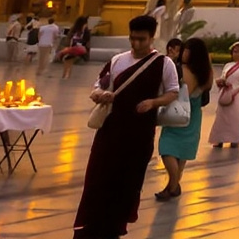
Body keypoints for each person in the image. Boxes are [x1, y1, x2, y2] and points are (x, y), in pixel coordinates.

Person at [72, 13, 179, 239]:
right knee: (99, 176)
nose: (136, 44)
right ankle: (92, 224)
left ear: (151, 38)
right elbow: (98, 85)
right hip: (111, 129)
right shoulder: (118, 60)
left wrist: (153, 102)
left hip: (139, 132)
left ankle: (114, 226)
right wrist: (101, 95)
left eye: (141, 39)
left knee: (128, 181)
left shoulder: (163, 63)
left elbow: (173, 92)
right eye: (133, 39)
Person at [155, 38, 210, 200]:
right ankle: (173, 186)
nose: (183, 53)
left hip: (177, 113)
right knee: (181, 155)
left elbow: (176, 90)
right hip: (194, 115)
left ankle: (172, 185)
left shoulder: (183, 70)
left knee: (167, 149)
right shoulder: (206, 73)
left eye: (185, 50)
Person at [209, 42, 239, 150]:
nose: (236, 54)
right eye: (234, 52)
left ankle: (235, 139)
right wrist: (221, 82)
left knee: (236, 117)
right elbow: (222, 77)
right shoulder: (228, 65)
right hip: (226, 92)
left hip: (238, 94)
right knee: (221, 117)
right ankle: (219, 139)